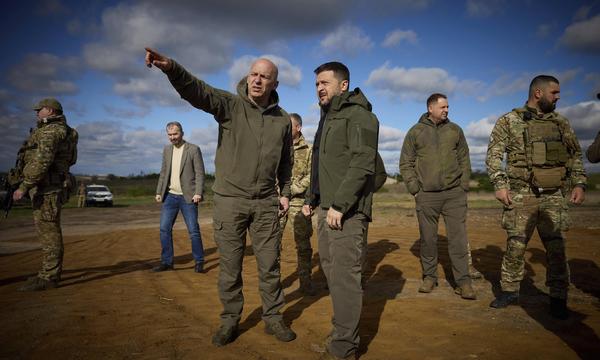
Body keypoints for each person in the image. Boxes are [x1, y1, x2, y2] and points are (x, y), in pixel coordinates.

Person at [145, 48, 295, 345]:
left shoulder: (282, 121)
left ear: (275, 84)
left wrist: (286, 192)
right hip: (230, 201)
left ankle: (274, 319)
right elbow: (197, 91)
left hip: (266, 203)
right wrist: (172, 68)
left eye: (265, 77)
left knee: (270, 266)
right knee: (230, 267)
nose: (257, 80)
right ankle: (229, 321)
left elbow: (287, 163)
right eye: (254, 74)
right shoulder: (230, 105)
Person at [486, 75, 586, 319]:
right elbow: (493, 156)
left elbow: (575, 155)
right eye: (555, 93)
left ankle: (558, 297)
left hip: (554, 196)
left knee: (557, 248)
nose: (558, 97)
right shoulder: (509, 121)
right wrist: (500, 185)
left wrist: (579, 183)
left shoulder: (561, 123)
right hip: (521, 194)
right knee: (516, 245)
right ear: (538, 93)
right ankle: (509, 291)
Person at [302, 62, 379, 360]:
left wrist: (340, 204)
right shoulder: (328, 117)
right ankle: (341, 335)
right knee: (333, 275)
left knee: (345, 278)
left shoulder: (360, 116)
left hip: (345, 212)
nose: (320, 88)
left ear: (343, 85)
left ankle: (344, 349)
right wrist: (313, 198)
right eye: (317, 84)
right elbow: (323, 166)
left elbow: (362, 162)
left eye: (325, 83)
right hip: (326, 208)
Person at [399, 93, 476, 300]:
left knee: (458, 240)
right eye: (443, 107)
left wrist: (463, 186)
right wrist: (415, 189)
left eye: (448, 107)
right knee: (428, 239)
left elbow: (464, 159)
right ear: (430, 108)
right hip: (427, 196)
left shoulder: (455, 130)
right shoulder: (415, 132)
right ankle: (429, 277)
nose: (447, 110)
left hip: (454, 195)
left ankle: (463, 282)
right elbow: (406, 163)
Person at [12, 98, 78, 291]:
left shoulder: (51, 132)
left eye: (39, 110)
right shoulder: (66, 131)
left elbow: (42, 162)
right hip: (50, 186)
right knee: (48, 231)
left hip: (47, 189)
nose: (36, 113)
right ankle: (47, 273)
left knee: (49, 233)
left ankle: (49, 277)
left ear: (50, 110)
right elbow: (71, 160)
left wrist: (24, 186)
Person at [154, 121, 206, 273]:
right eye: (169, 135)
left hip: (188, 197)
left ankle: (199, 261)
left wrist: (198, 192)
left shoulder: (193, 149)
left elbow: (200, 173)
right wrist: (159, 192)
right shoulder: (166, 150)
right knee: (164, 229)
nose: (172, 137)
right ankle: (167, 262)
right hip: (170, 196)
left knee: (193, 230)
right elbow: (163, 172)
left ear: (182, 133)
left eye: (175, 134)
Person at [278, 113, 316, 295]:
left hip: (298, 203)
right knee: (272, 244)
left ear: (298, 128)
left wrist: (292, 189)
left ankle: (306, 282)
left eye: (289, 126)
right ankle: (273, 284)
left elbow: (313, 175)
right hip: (276, 203)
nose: (284, 130)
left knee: (303, 244)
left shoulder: (309, 149)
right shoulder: (277, 147)